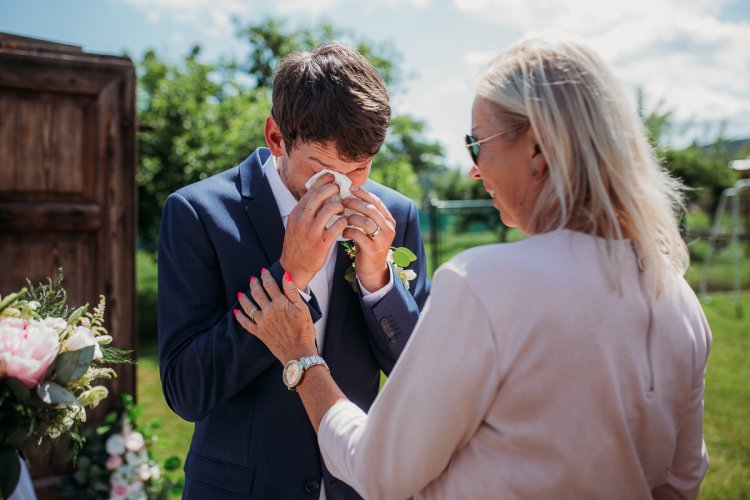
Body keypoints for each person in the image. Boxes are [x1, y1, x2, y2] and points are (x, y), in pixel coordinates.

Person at [237, 37, 712, 499]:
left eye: (476, 142)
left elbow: (380, 472)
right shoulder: (677, 299)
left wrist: (302, 355)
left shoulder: (484, 285)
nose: (473, 169)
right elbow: (679, 483)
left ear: (538, 152)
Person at [157, 42, 429, 499]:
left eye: (359, 169)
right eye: (322, 169)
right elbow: (186, 390)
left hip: (356, 485)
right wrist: (291, 275)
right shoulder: (198, 214)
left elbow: (418, 376)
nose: (343, 189)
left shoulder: (394, 216)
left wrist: (377, 280)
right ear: (276, 138)